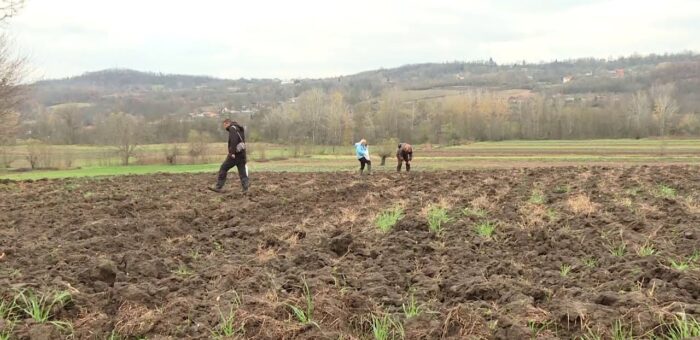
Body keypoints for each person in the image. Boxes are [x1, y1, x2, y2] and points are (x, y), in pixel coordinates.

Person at [209, 119, 249, 193]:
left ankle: (218, 187)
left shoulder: (232, 128)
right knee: (242, 172)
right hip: (242, 154)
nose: (224, 127)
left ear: (227, 123)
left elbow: (234, 140)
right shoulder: (239, 129)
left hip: (235, 155)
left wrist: (232, 153)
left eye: (224, 125)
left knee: (223, 168)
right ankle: (246, 189)